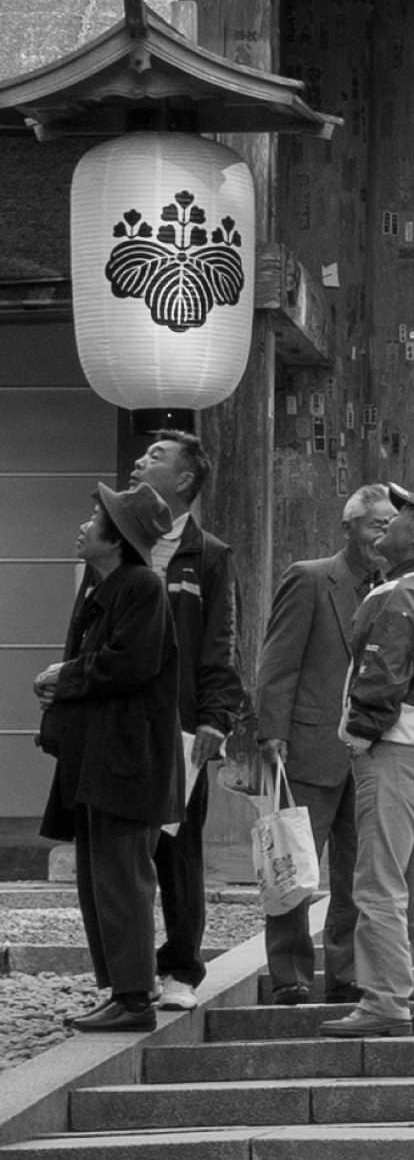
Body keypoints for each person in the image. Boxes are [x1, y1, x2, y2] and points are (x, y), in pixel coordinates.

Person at [320, 485, 414, 1041]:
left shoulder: (396, 596)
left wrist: (359, 737)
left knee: (378, 885)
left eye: (404, 514)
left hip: (395, 756)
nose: (391, 521)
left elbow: (380, 681)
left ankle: (384, 1000)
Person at [33, 484, 182, 1030]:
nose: (84, 524)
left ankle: (136, 997)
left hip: (128, 760)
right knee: (100, 882)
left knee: (122, 880)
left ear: (116, 537)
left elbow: (130, 664)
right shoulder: (108, 585)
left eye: (94, 517)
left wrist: (65, 677)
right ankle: (123, 989)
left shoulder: (140, 585)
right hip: (102, 757)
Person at [253, 484, 394, 1005]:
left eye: (390, 526)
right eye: (375, 524)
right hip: (308, 747)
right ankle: (290, 973)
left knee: (358, 871)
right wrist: (271, 732)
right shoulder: (311, 578)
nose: (384, 534)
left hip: (370, 752)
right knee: (293, 866)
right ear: (349, 528)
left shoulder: (393, 590)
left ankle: (347, 971)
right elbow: (278, 662)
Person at [126, 429, 244, 1011]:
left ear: (184, 481)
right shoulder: (118, 542)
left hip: (180, 726)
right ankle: (126, 975)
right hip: (120, 723)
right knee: (119, 854)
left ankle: (180, 971)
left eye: (156, 457)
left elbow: (221, 642)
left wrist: (218, 717)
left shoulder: (210, 554)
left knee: (178, 851)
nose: (140, 462)